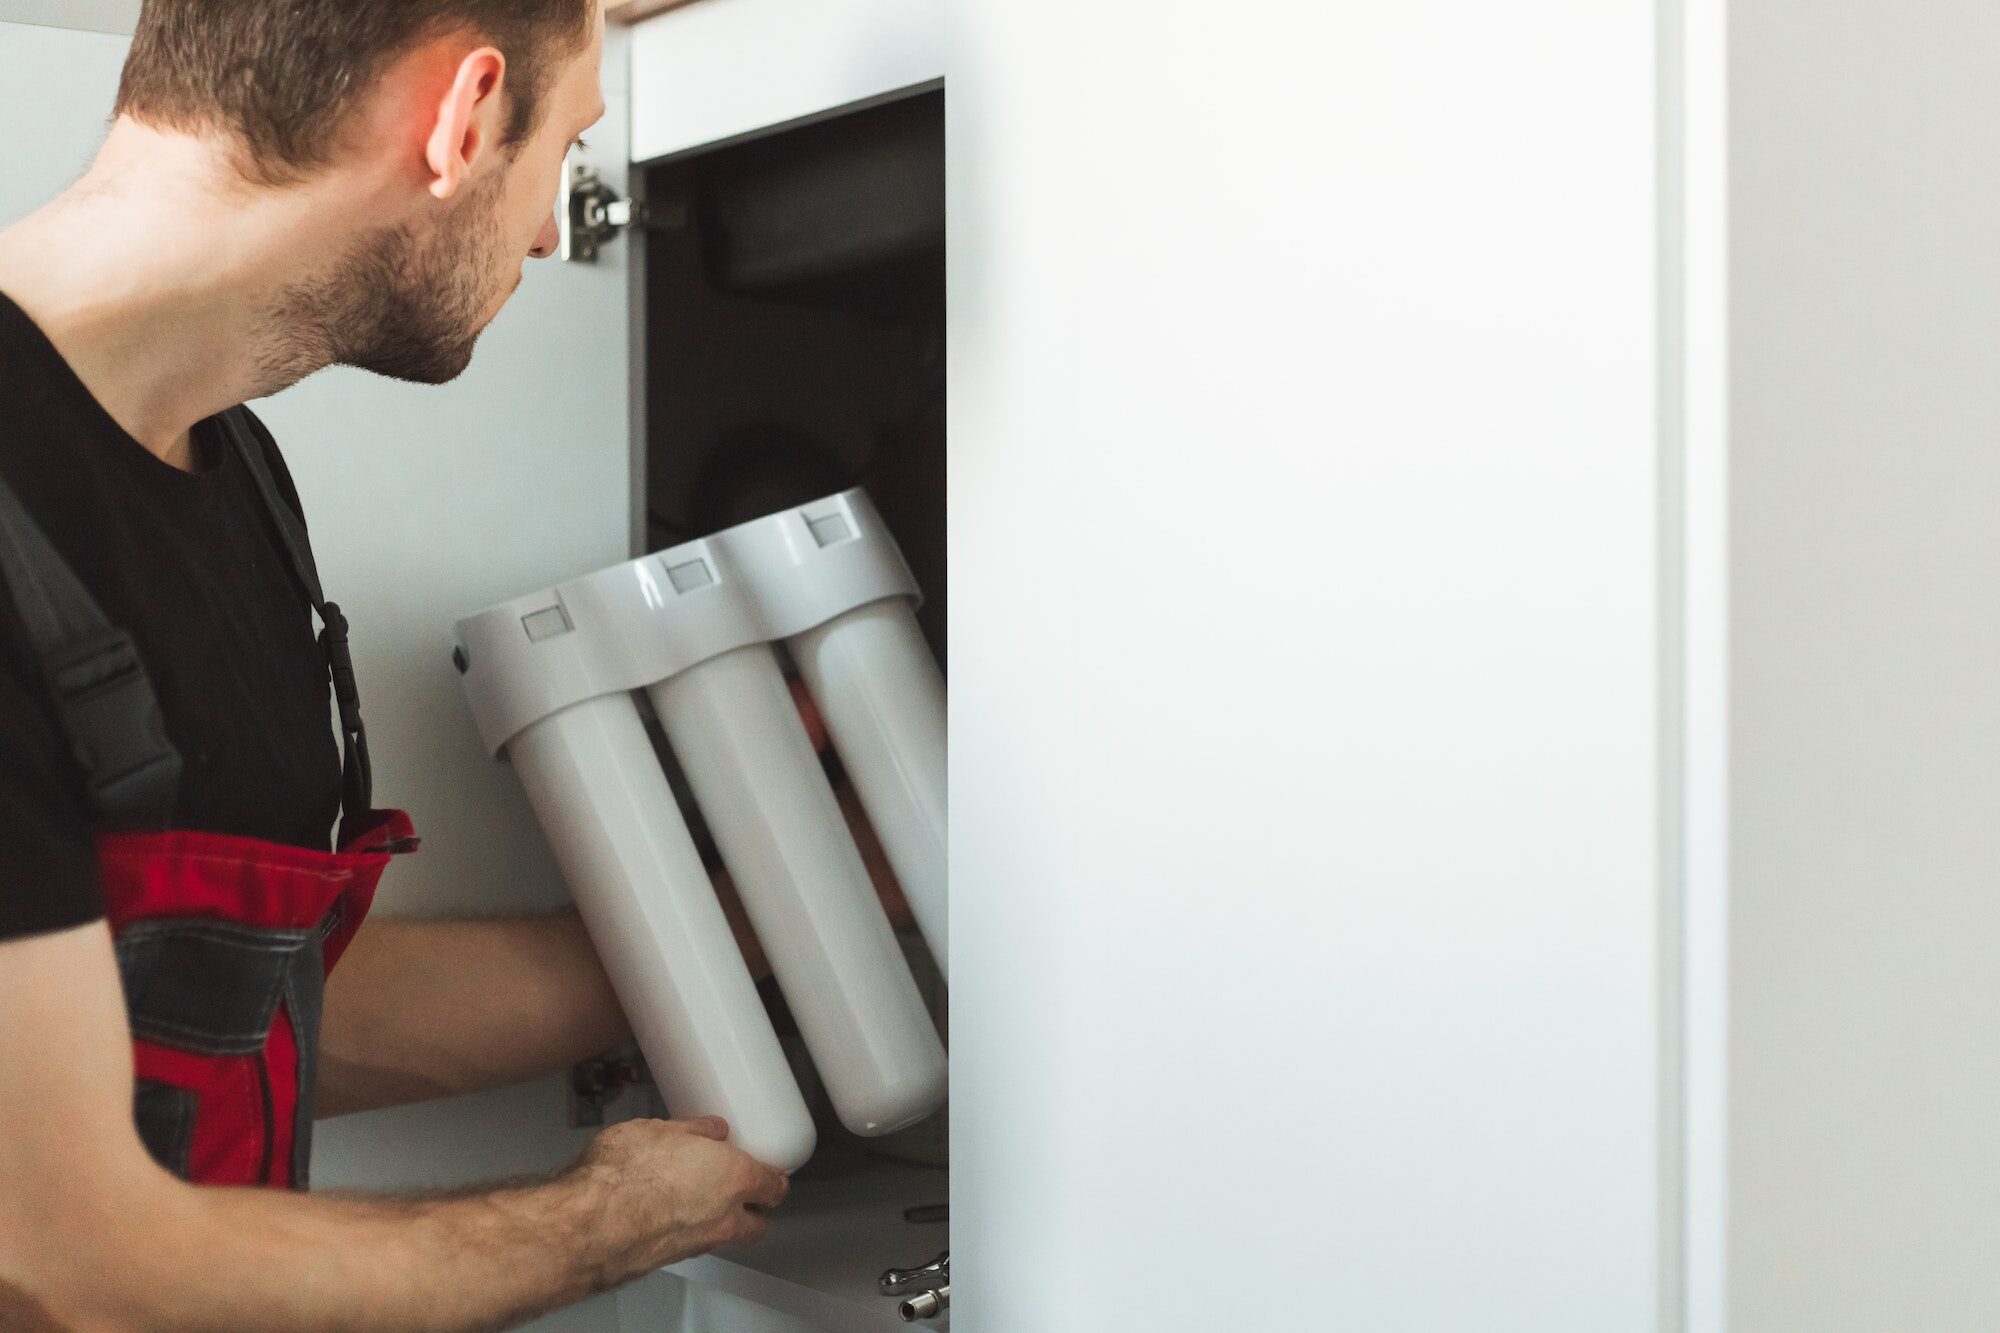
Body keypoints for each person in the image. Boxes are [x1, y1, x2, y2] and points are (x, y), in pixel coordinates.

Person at [0, 2, 800, 1327]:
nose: (553, 226)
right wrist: (593, 1226)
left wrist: (782, 919)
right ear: (466, 115)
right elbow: (55, 1256)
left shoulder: (232, 469)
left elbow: (271, 999)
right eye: (568, 146)